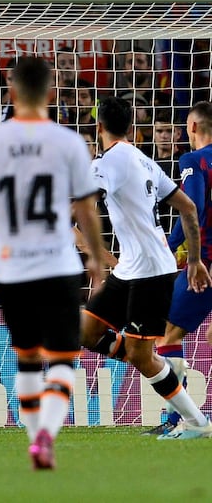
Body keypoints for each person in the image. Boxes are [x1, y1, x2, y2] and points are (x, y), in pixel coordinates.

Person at [0, 57, 106, 469]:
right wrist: (94, 256)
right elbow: (86, 210)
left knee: (26, 357)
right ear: (52, 94)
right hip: (58, 264)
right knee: (61, 360)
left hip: (11, 267)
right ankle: (45, 435)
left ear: (11, 92)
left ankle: (33, 434)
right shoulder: (70, 142)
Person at [81, 96, 212, 441]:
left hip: (152, 272)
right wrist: (195, 259)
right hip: (132, 269)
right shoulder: (143, 159)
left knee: (142, 356)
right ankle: (161, 368)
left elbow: (84, 201)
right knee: (86, 332)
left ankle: (197, 422)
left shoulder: (107, 161)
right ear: (132, 128)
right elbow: (187, 208)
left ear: (98, 128)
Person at [139, 102, 212, 436]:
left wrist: (167, 248)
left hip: (206, 263)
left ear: (193, 127)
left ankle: (179, 419)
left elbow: (190, 208)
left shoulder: (193, 160)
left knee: (170, 333)